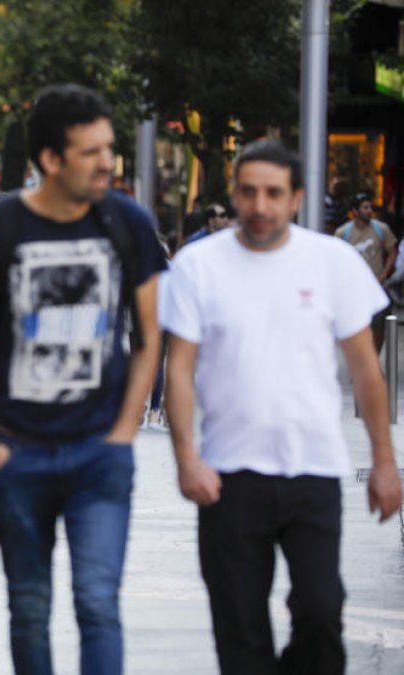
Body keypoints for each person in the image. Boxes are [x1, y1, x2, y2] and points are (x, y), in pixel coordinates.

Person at [161, 140, 403, 675]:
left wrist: (384, 462)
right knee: (240, 630)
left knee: (321, 612)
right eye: (248, 192)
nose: (260, 205)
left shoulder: (332, 262)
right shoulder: (198, 265)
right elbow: (178, 369)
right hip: (227, 476)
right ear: (234, 194)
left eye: (273, 193)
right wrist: (186, 458)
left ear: (296, 198)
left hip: (312, 471)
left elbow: (367, 369)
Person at [0, 84, 165, 675]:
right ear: (50, 158)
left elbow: (150, 334)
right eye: (91, 152)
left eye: (109, 149)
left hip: (99, 453)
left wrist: (124, 431)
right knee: (29, 607)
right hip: (17, 451)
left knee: (98, 603)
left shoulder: (128, 222)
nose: (107, 163)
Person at [335, 193, 398, 354]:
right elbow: (335, 259)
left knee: (379, 326)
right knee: (356, 328)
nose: (370, 210)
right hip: (353, 290)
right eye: (365, 207)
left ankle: (374, 359)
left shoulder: (381, 229)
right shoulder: (343, 233)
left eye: (370, 207)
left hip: (377, 286)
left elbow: (392, 251)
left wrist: (384, 274)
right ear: (355, 211)